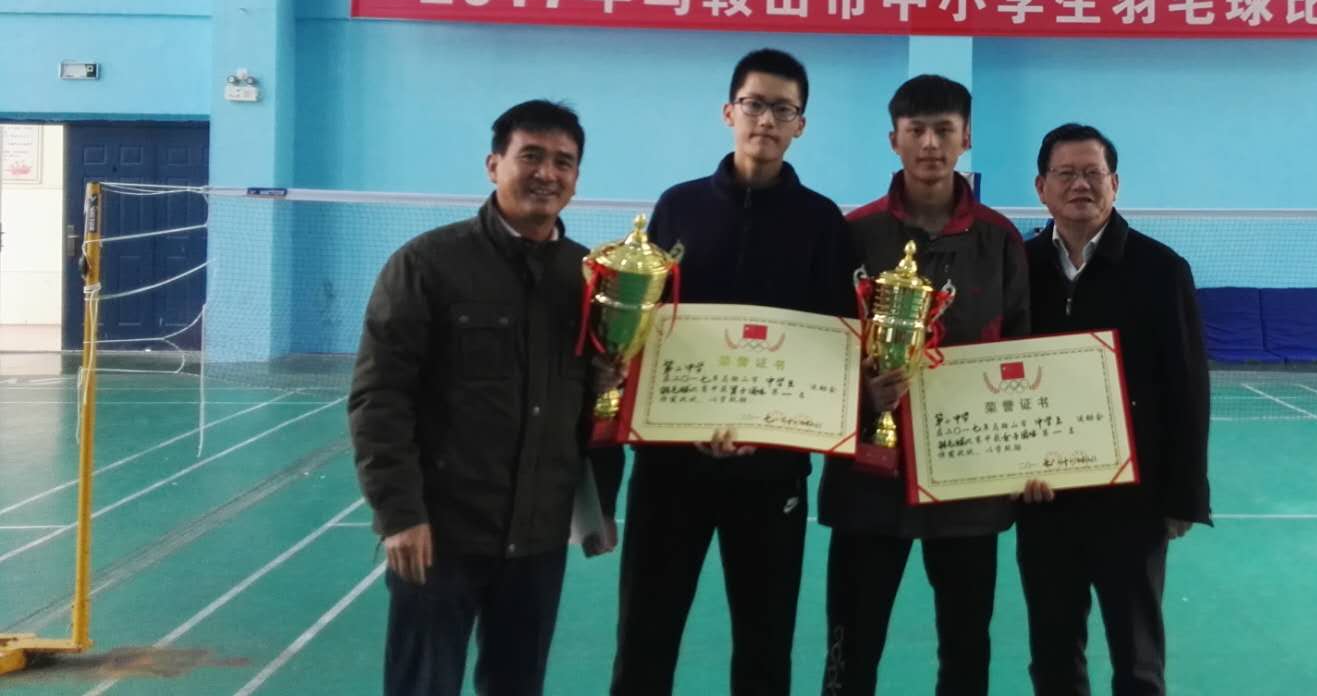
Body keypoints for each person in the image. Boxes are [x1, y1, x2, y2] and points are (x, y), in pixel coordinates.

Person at [349, 98, 621, 696]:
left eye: (563, 162)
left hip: (539, 538)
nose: (546, 173)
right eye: (531, 156)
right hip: (441, 534)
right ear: (494, 164)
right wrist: (400, 515)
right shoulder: (426, 265)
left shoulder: (591, 278)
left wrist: (600, 503)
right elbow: (379, 397)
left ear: (577, 178)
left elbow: (597, 402)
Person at [609, 48, 856, 696]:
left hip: (771, 473)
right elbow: (646, 325)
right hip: (670, 467)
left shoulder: (821, 222)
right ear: (729, 112)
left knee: (764, 649)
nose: (766, 120)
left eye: (783, 109)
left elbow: (832, 344)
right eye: (754, 104)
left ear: (800, 124)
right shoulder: (678, 207)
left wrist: (769, 430)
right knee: (644, 639)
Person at [818, 74, 1031, 696]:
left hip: (967, 485)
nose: (930, 144)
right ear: (894, 139)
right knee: (850, 649)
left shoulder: (999, 240)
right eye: (916, 131)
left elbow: (1021, 355)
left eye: (944, 130)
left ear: (966, 138)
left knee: (966, 652)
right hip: (866, 482)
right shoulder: (852, 234)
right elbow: (822, 348)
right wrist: (863, 396)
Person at [1015, 123, 1211, 696]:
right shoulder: (1019, 267)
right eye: (1065, 174)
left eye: (1092, 173)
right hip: (1045, 498)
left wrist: (1183, 496)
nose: (1080, 185)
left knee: (1138, 660)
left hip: (1134, 502)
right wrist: (1008, 473)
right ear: (1041, 187)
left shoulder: (1161, 269)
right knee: (1053, 655)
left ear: (1115, 184)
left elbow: (1188, 388)